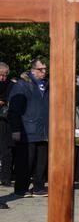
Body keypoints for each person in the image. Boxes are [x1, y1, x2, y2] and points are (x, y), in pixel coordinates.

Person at [8, 58, 50, 198]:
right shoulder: (22, 85)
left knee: (42, 161)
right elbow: (14, 110)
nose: (44, 72)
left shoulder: (47, 85)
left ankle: (38, 187)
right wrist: (15, 129)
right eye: (41, 69)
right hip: (27, 129)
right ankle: (21, 188)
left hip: (44, 129)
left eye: (45, 69)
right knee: (26, 160)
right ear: (33, 70)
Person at [0, 62, 12, 209]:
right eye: (0, 74)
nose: (3, 78)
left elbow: (6, 99)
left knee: (5, 150)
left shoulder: (9, 84)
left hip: (2, 121)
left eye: (5, 75)